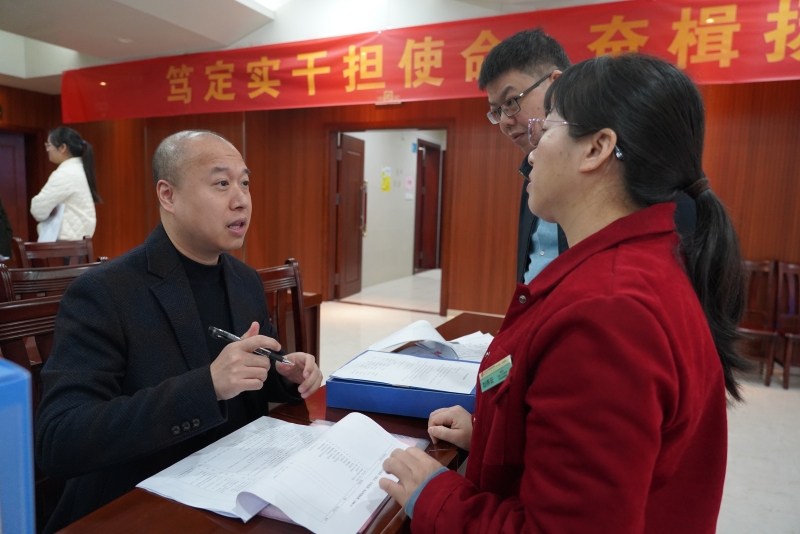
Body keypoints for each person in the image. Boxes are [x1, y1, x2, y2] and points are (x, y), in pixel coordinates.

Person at [380, 54, 748, 533]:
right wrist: (493, 437)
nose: (531, 154)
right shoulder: (643, 265)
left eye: (547, 129)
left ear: (596, 148)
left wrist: (435, 495)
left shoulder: (609, 313)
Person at [35, 130, 322, 533]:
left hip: (237, 492)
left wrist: (283, 373)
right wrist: (208, 385)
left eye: (244, 183)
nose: (241, 199)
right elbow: (59, 439)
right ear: (168, 195)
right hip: (139, 505)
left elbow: (248, 383)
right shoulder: (104, 292)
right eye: (221, 183)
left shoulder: (245, 281)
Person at [478, 29, 570, 284]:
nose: (505, 122)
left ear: (556, 84)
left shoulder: (603, 168)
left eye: (511, 101)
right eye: (497, 111)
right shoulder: (531, 170)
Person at [31, 126, 101, 240]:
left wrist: (50, 210)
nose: (47, 150)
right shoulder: (79, 169)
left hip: (65, 243)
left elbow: (37, 210)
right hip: (78, 242)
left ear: (63, 147)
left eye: (49, 145)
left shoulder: (66, 173)